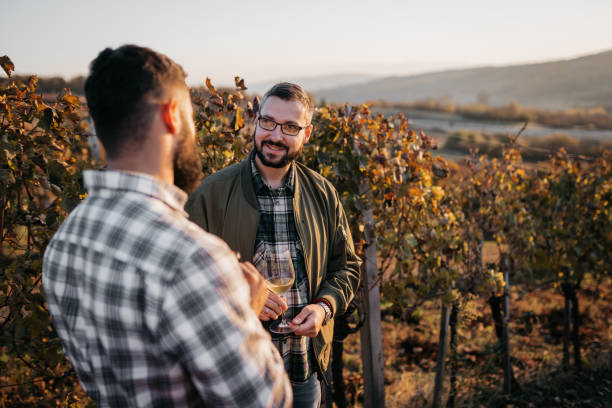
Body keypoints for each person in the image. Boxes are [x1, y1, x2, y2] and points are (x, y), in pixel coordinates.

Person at [42, 45, 292, 408]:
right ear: (173, 114)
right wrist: (247, 314)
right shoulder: (195, 260)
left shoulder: (65, 242)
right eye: (190, 116)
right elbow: (268, 402)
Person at [185, 82, 361, 407]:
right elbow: (183, 278)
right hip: (235, 374)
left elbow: (346, 267)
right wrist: (240, 295)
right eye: (268, 121)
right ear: (255, 121)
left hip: (303, 372)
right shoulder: (211, 193)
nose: (275, 135)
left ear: (306, 134)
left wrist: (324, 308)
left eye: (290, 127)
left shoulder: (324, 194)